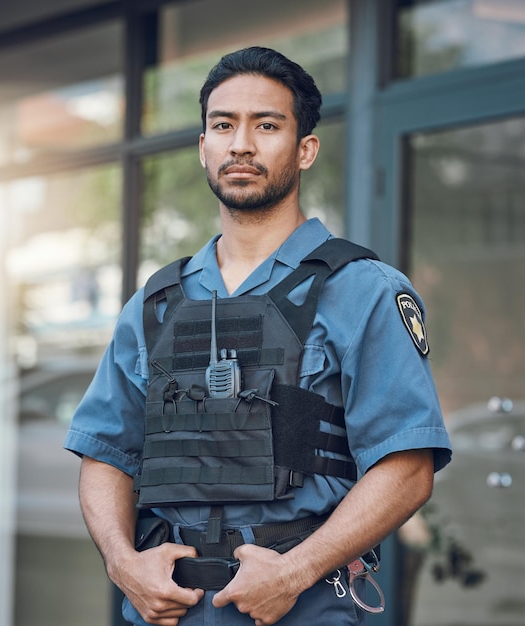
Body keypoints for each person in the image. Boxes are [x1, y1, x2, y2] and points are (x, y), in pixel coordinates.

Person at [64, 46, 452, 626]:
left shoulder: (363, 289)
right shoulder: (155, 302)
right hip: (166, 609)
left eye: (266, 125)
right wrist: (125, 566)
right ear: (203, 148)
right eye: (223, 125)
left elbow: (407, 466)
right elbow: (105, 454)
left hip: (301, 606)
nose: (240, 143)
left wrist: (294, 572)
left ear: (305, 149)